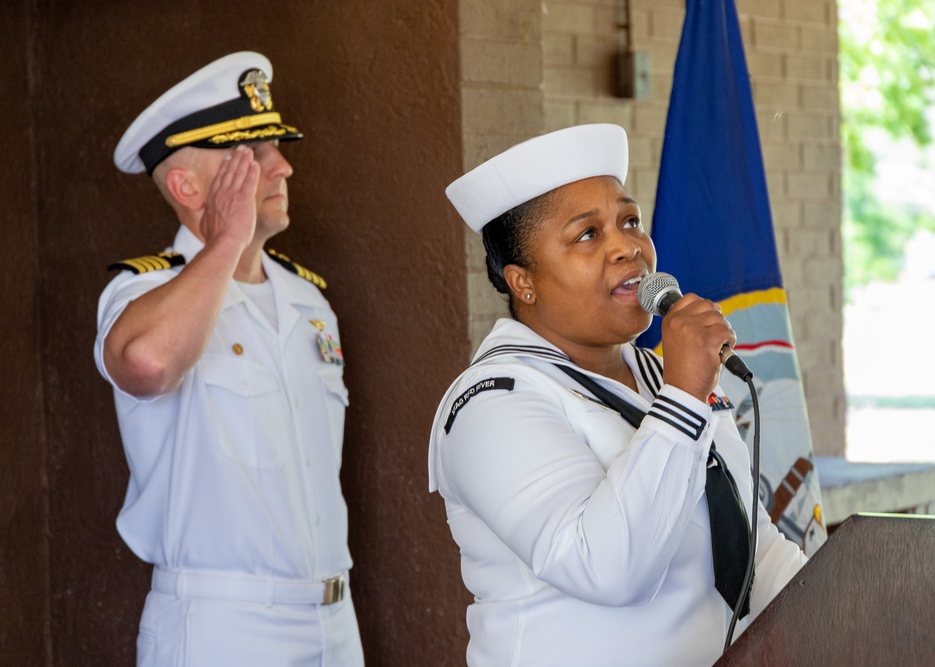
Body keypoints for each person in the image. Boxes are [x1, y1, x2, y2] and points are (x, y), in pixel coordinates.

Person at [428, 124, 806, 666]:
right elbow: (608, 568)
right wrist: (684, 395)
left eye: (630, 222)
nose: (627, 246)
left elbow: (752, 547)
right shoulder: (492, 402)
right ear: (522, 282)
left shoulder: (665, 376)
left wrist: (844, 617)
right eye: (587, 234)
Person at [95, 52, 363, 666]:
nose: (284, 167)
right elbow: (147, 363)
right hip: (225, 625)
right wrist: (225, 243)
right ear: (188, 187)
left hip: (332, 619)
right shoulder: (140, 293)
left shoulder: (307, 297)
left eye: (278, 149)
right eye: (253, 156)